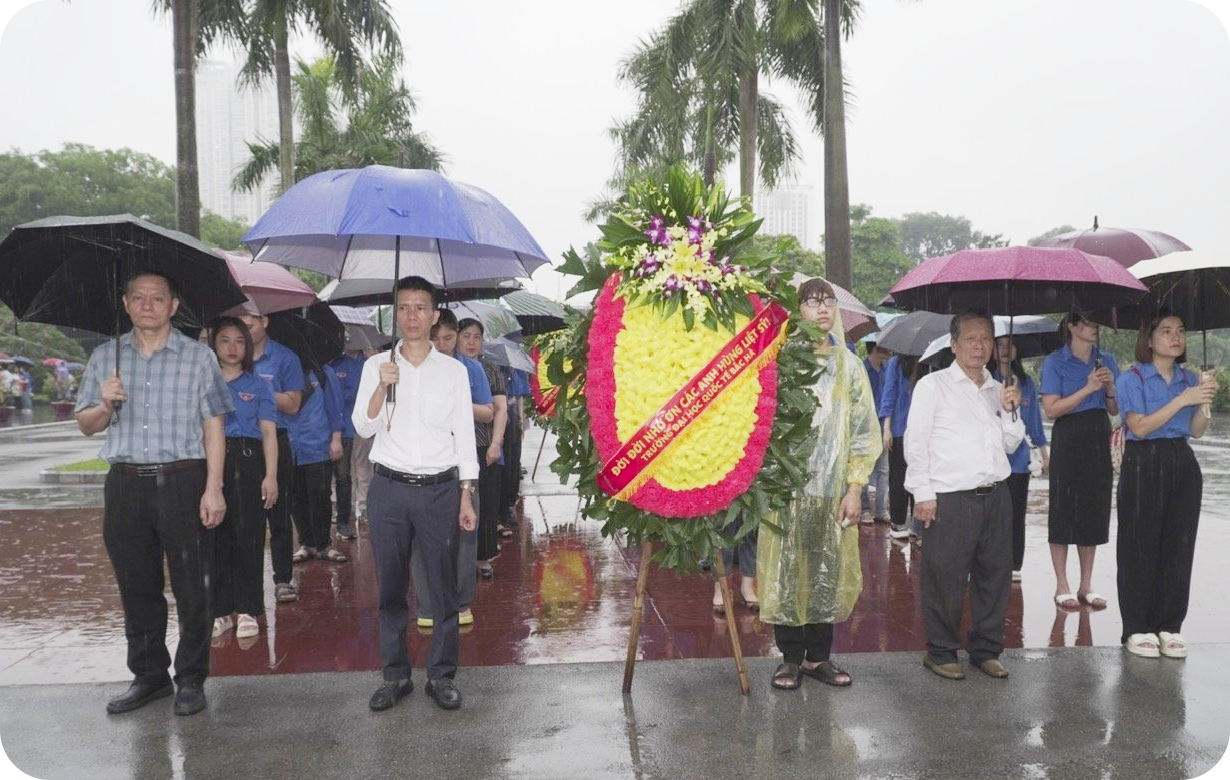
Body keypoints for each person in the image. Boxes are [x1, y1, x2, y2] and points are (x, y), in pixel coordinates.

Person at [74, 271, 232, 716]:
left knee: (191, 586)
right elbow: (86, 425)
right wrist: (104, 404)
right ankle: (149, 676)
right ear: (125, 303)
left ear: (173, 306)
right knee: (137, 585)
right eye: (138, 297)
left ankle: (191, 678)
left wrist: (213, 488)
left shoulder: (198, 357)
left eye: (157, 298)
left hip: (183, 479)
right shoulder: (106, 357)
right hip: (125, 484)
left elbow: (213, 424)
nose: (147, 305)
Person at [353, 276, 478, 712]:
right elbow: (362, 427)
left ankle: (441, 676)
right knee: (390, 588)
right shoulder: (377, 365)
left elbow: (464, 433)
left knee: (442, 589)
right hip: (388, 488)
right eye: (403, 307)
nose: (411, 316)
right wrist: (380, 387)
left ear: (434, 315)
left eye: (420, 307)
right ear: (395, 313)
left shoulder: (454, 371)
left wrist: (466, 493)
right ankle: (395, 675)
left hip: (440, 491)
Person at [760, 278, 882, 690]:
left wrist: (854, 487)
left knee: (826, 572)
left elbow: (864, 429)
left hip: (832, 491)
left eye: (828, 301)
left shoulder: (849, 365)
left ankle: (818, 658)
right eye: (812, 302)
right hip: (786, 490)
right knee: (788, 571)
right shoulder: (780, 360)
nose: (823, 308)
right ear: (799, 312)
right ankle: (790, 658)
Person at [905, 308, 1023, 681]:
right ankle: (941, 652)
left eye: (986, 338)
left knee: (995, 575)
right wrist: (922, 493)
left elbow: (1011, 444)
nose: (979, 345)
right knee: (945, 577)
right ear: (954, 345)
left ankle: (985, 649)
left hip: (996, 494)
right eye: (970, 338)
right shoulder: (933, 385)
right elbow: (916, 443)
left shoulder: (997, 388)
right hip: (950, 496)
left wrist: (1009, 411)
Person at [1115, 312, 1214, 659]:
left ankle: (1170, 625)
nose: (1176, 337)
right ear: (1150, 339)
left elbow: (1197, 430)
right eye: (1167, 331)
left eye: (1181, 331)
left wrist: (1204, 401)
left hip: (1182, 461)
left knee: (1178, 546)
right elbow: (1139, 428)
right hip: (1143, 462)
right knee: (1139, 547)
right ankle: (1137, 627)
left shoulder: (1189, 378)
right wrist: (1183, 400)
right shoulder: (1132, 379)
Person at [415, 310, 493, 629]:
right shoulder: (412, 370)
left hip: (463, 459)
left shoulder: (470, 368)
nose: (442, 345)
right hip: (424, 461)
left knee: (464, 532)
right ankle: (427, 603)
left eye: (448, 338)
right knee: (421, 537)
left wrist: (459, 405)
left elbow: (488, 412)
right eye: (435, 338)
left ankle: (461, 601)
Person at [1040, 311, 1119, 611]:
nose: (1094, 327)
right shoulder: (1055, 361)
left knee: (1093, 507)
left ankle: (1086, 583)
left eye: (1095, 321)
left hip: (1099, 433)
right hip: (1069, 435)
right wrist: (1087, 388)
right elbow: (1051, 410)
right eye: (1087, 321)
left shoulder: (1106, 359)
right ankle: (1062, 583)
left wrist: (1110, 389)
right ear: (1071, 325)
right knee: (1063, 507)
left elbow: (1114, 410)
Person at [208, 317, 278, 641]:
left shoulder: (258, 384)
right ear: (213, 344)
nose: (232, 347)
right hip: (210, 463)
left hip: (248, 461)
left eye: (239, 340)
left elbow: (268, 432)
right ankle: (221, 610)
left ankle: (248, 609)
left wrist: (271, 475)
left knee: (248, 535)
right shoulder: (204, 382)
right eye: (224, 340)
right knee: (215, 537)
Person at [238, 313, 303, 603]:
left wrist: (259, 391)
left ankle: (283, 579)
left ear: (264, 321)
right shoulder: (228, 358)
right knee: (244, 517)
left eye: (249, 325)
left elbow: (292, 404)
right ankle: (246, 583)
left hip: (276, 438)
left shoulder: (285, 358)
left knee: (279, 514)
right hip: (240, 444)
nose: (243, 332)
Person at [991, 336, 1050, 582]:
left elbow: (1035, 422)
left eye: (1010, 344)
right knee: (991, 516)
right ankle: (989, 563)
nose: (1005, 350)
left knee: (1016, 515)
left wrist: (1045, 454)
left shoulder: (1027, 383)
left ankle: (1014, 564)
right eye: (1000, 345)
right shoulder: (985, 381)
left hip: (1019, 462)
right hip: (991, 461)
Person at [457, 317, 507, 579]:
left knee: (484, 503)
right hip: (452, 448)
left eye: (476, 336)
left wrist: (496, 443)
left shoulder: (489, 369)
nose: (471, 342)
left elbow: (500, 411)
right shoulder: (449, 366)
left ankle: (482, 557)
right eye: (466, 336)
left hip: (482, 445)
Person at [287, 358, 347, 563]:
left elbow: (335, 404)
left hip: (318, 444)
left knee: (320, 495)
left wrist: (336, 438)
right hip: (289, 445)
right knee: (296, 497)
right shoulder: (280, 371)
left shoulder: (323, 372)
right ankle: (307, 543)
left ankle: (323, 544)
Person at [879, 354, 918, 540]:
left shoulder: (931, 361)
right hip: (900, 430)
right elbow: (889, 394)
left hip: (922, 432)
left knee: (920, 477)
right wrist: (886, 428)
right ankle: (897, 521)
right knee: (898, 479)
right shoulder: (896, 363)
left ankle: (918, 523)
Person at [328, 348, 365, 539]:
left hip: (353, 426)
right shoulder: (332, 365)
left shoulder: (367, 362)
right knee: (330, 477)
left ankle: (346, 519)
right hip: (328, 429)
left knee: (346, 474)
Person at [861, 343, 892, 524]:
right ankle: (865, 509)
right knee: (864, 467)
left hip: (883, 425)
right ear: (875, 349)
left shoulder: (886, 369)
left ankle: (881, 510)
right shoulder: (863, 369)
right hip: (866, 425)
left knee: (883, 470)